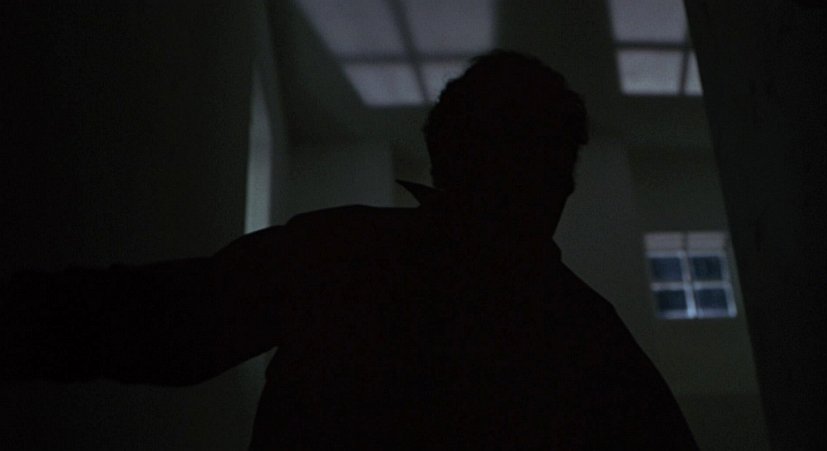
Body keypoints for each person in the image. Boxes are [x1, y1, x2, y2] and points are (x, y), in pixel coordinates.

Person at [1, 50, 697, 449]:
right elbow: (165, 324)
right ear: (561, 184)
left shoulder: (344, 252)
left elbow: (167, 324)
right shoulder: (590, 337)